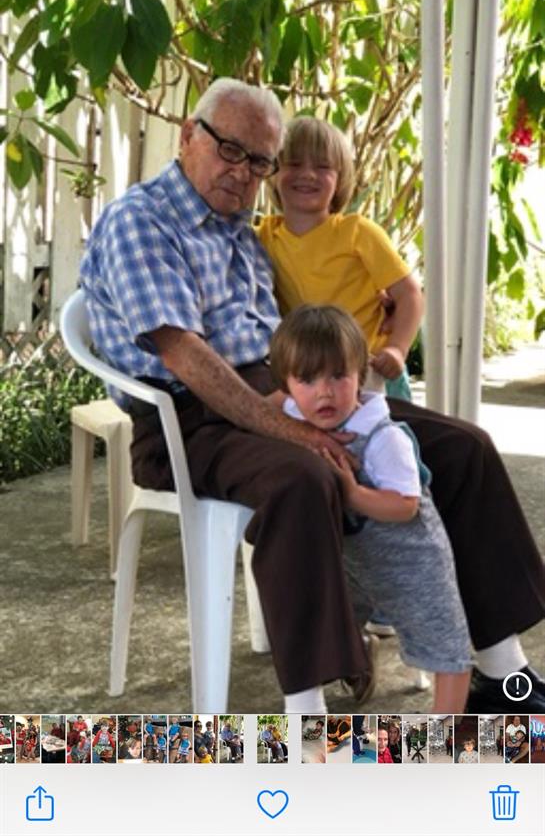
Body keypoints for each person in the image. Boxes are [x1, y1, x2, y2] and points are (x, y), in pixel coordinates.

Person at [80, 77, 545, 713]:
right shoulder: (142, 220)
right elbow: (184, 355)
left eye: (259, 162)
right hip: (189, 422)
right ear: (189, 136)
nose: (243, 172)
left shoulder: (240, 227)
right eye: (230, 150)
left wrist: (328, 385)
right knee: (306, 475)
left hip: (290, 393)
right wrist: (295, 429)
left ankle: (504, 675)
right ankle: (308, 715)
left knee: (464, 448)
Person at [270, 304, 472, 712]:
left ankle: (446, 734)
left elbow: (405, 506)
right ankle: (357, 656)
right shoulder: (295, 413)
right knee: (325, 626)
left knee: (447, 650)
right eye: (306, 379)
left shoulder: (383, 438)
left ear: (360, 375)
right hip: (353, 564)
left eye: (337, 376)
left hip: (412, 564)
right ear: (287, 386)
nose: (324, 392)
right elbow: (267, 409)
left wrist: (352, 493)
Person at [258, 116, 423, 402]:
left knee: (390, 432)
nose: (308, 174)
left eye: (322, 167)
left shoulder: (358, 232)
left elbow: (410, 294)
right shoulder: (263, 236)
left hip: (371, 372)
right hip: (310, 378)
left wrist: (397, 348)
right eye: (294, 164)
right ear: (272, 172)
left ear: (340, 178)